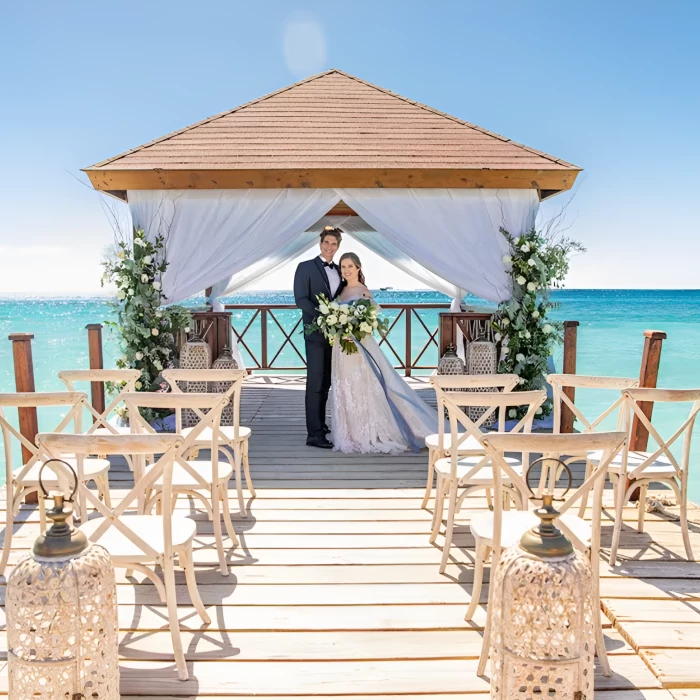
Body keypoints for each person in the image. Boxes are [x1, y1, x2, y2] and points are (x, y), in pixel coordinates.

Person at [330, 252, 438, 453]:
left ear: (358, 268)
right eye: (343, 267)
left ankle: (369, 430)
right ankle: (349, 430)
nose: (346, 270)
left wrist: (353, 329)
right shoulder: (340, 291)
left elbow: (371, 321)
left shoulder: (363, 291)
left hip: (359, 347)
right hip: (341, 347)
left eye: (350, 267)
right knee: (345, 386)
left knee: (363, 385)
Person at [293, 226, 346, 449]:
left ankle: (321, 424)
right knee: (315, 383)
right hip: (315, 333)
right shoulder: (304, 267)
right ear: (320, 243)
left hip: (336, 336)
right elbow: (301, 300)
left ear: (338, 246)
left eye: (334, 244)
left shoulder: (340, 270)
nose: (330, 247)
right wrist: (325, 316)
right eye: (327, 243)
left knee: (326, 381)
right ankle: (313, 434)